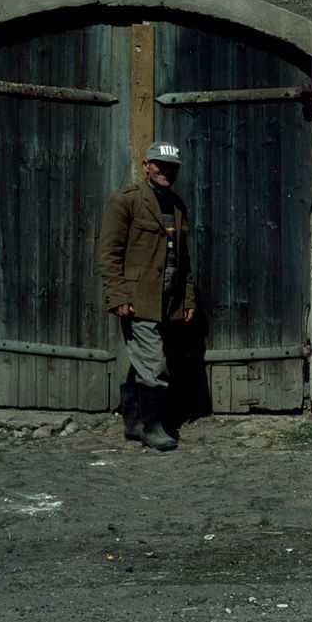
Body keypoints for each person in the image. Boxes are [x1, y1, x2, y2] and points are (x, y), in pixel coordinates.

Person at [97, 141, 198, 451]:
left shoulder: (178, 206)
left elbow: (184, 260)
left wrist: (188, 299)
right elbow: (109, 252)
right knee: (154, 365)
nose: (166, 170)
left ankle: (134, 422)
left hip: (167, 299)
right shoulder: (126, 200)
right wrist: (118, 296)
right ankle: (152, 428)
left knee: (141, 360)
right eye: (159, 164)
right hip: (138, 297)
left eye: (172, 166)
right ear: (146, 166)